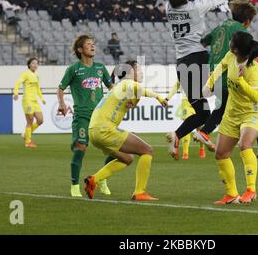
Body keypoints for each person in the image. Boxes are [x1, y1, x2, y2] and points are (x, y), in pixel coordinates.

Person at [199, 0, 258, 158]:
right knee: (253, 106)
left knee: (232, 109)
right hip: (229, 75)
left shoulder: (221, 26)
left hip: (215, 74)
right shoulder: (241, 31)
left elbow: (204, 41)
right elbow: (244, 55)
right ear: (247, 21)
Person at [164, 0, 233, 159]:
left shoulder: (169, 8)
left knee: (201, 112)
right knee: (224, 97)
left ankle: (177, 135)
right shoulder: (195, 8)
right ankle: (205, 133)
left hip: (182, 65)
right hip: (199, 60)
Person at [84, 61, 168, 201]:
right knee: (147, 150)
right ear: (129, 73)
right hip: (104, 129)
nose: (141, 72)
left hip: (94, 130)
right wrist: (158, 97)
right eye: (138, 69)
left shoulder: (120, 88)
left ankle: (94, 180)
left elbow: (130, 98)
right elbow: (137, 88)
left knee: (127, 158)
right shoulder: (127, 83)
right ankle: (139, 192)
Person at [203, 31, 258, 205]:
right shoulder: (230, 55)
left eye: (231, 41)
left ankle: (251, 190)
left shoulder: (253, 68)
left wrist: (242, 81)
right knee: (221, 154)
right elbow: (220, 66)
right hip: (231, 113)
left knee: (245, 145)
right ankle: (231, 194)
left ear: (236, 48)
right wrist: (209, 83)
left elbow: (256, 97)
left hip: (250, 112)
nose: (229, 43)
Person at [57, 35, 115, 198]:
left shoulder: (100, 68)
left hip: (101, 117)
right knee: (81, 147)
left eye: (93, 44)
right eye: (88, 44)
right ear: (80, 50)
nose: (92, 46)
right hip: (82, 116)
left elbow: (112, 88)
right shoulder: (74, 69)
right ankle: (75, 185)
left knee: (114, 148)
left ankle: (102, 179)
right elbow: (61, 88)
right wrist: (62, 104)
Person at [165, 81, 206, 159]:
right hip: (186, 100)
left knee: (200, 125)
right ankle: (185, 153)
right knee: (187, 123)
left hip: (200, 98)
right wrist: (167, 98)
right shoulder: (183, 71)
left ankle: (202, 149)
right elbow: (177, 84)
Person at [13, 58, 45, 148]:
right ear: (29, 64)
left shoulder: (37, 76)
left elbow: (38, 89)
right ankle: (28, 142)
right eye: (33, 63)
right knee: (30, 121)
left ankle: (26, 134)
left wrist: (42, 98)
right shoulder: (25, 73)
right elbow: (18, 83)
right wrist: (16, 93)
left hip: (35, 101)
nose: (35, 65)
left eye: (37, 63)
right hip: (27, 100)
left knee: (40, 120)